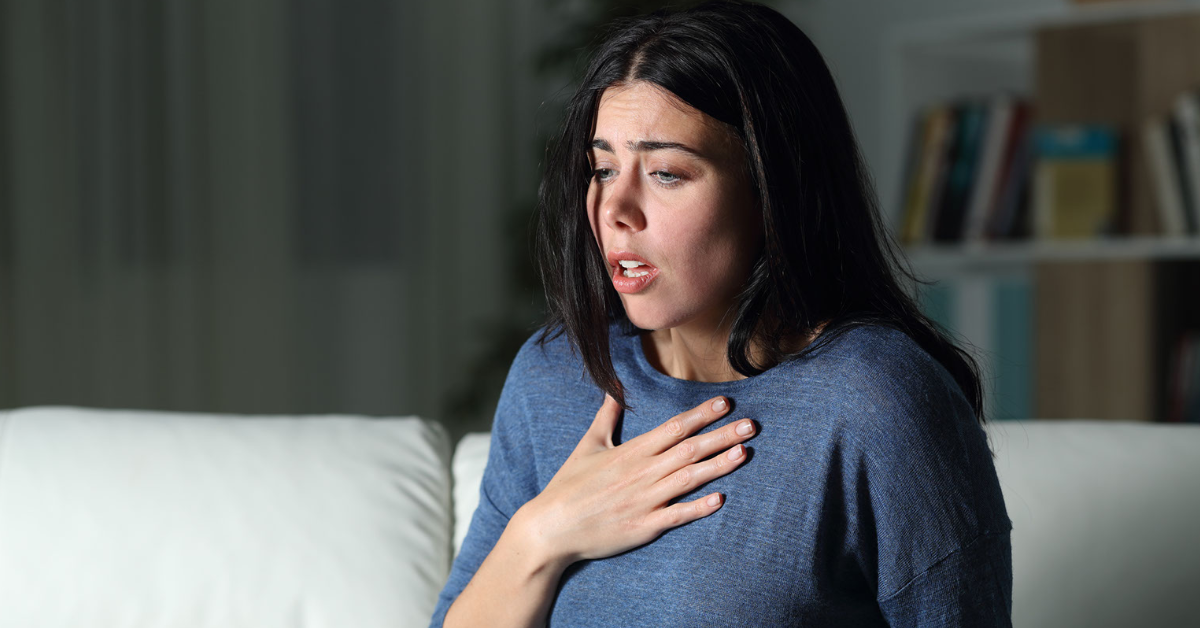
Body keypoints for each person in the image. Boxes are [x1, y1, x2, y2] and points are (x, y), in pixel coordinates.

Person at [430, 1, 1013, 625]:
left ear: (772, 189)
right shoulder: (554, 376)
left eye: (666, 173)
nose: (615, 208)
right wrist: (542, 534)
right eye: (602, 168)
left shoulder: (879, 403)